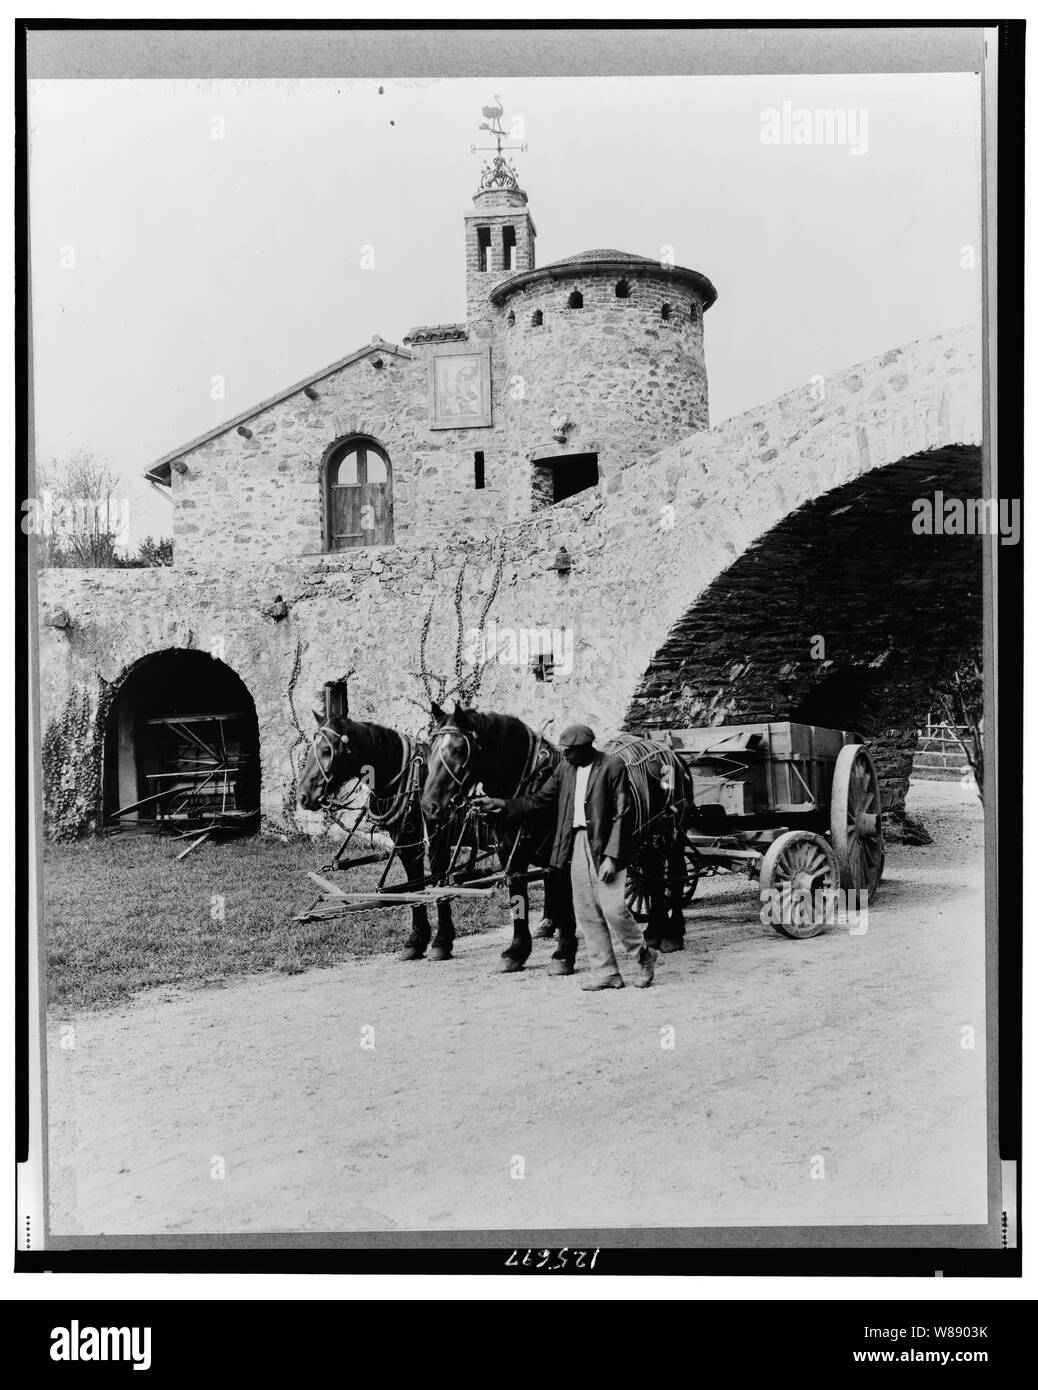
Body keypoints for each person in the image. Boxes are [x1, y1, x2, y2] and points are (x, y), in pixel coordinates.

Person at [475, 724, 657, 990]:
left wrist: (612, 857)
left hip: (605, 845)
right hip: (575, 844)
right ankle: (606, 972)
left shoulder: (612, 766)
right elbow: (538, 801)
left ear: (585, 749)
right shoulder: (564, 770)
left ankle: (644, 956)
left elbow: (623, 814)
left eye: (570, 751)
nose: (565, 755)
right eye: (564, 751)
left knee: (613, 910)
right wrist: (501, 804)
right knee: (587, 913)